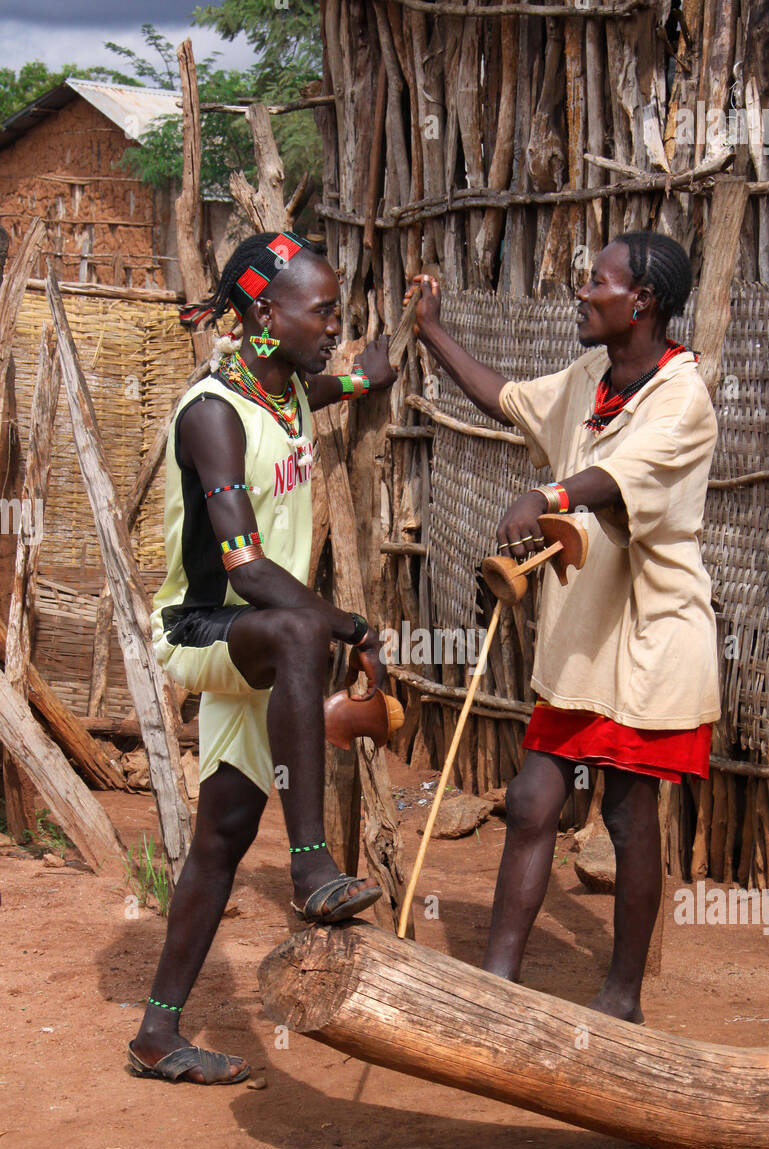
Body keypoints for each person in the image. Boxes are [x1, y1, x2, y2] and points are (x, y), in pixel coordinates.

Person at [407, 231, 721, 1022]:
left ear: (641, 301)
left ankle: (621, 1002)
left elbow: (617, 480)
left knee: (624, 811)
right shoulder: (590, 377)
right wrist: (431, 332)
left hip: (652, 636)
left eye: (598, 283)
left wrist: (547, 498)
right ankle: (495, 989)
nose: (583, 293)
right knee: (531, 800)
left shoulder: (682, 397)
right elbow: (510, 398)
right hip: (584, 639)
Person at [128, 231, 396, 1084]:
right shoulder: (213, 412)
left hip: (264, 651)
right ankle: (312, 865)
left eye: (336, 310)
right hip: (205, 627)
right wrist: (347, 626)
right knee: (299, 631)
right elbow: (242, 563)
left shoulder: (290, 395)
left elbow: (343, 382)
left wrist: (381, 364)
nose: (333, 325)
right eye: (321, 313)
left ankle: (157, 1034)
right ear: (262, 314)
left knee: (224, 833)